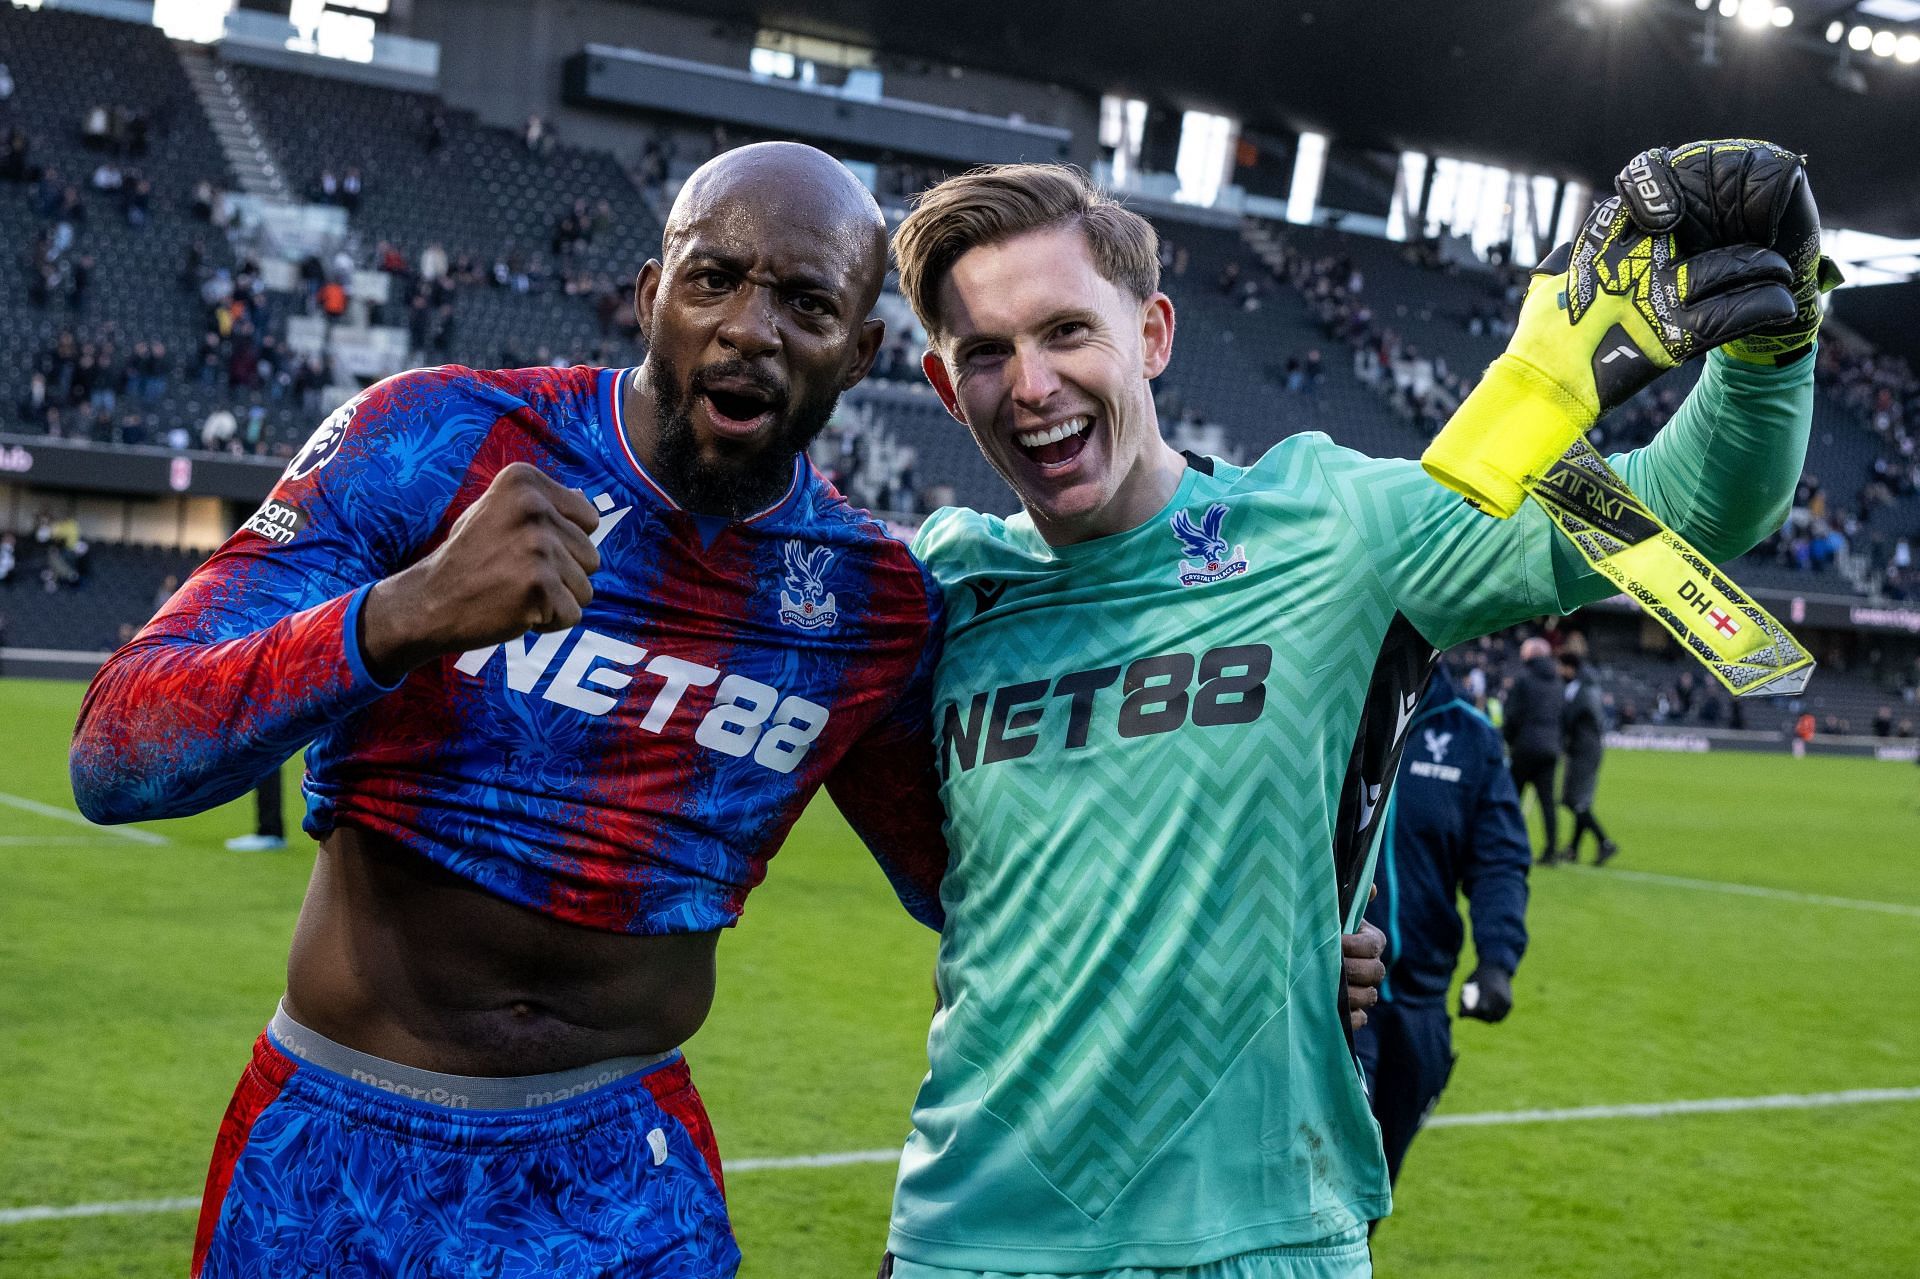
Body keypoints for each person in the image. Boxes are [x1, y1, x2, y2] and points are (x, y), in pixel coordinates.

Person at [880, 142, 1821, 1277]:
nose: (1030, 386)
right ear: (943, 387)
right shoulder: (930, 595)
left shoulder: (1334, 528)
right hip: (968, 1239)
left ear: (1154, 334)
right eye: (986, 353)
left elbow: (1689, 506)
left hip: (1263, 1238)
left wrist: (1772, 353)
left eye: (1068, 331)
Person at [70, 141, 955, 1279]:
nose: (749, 328)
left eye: (806, 301)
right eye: (712, 280)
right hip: (339, 1146)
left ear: (862, 351)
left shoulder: (867, 601)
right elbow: (114, 756)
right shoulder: (433, 441)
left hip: (624, 1182)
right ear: (650, 297)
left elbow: (972, 897)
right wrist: (399, 617)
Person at [1354, 662, 1529, 1193]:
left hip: (1423, 1005)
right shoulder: (1328, 712)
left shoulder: (1470, 736)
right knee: (1333, 1186)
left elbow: (1498, 858)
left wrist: (1497, 959)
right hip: (1340, 1000)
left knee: (1378, 1190)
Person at [1502, 636, 1565, 863]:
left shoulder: (1524, 680)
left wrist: (1507, 740)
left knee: (1510, 799)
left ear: (1530, 654)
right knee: (1548, 802)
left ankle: (1506, 845)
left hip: (1525, 748)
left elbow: (1512, 715)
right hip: (1550, 748)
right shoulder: (1558, 682)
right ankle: (1551, 851)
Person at [1557, 650, 1617, 865]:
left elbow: (1573, 718)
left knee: (1574, 800)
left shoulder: (1579, 691)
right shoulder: (1588, 688)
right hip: (1587, 749)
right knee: (1578, 801)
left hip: (1583, 750)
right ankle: (1573, 849)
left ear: (1569, 667)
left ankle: (1605, 842)